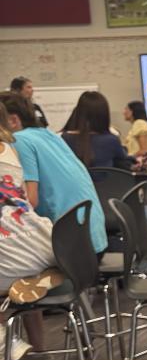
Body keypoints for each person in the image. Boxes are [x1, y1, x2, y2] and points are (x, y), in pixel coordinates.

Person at [0, 91, 107, 257]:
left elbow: (30, 201)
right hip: (93, 242)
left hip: (73, 251)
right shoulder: (48, 134)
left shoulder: (19, 141)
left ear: (13, 120)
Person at [0, 101, 58, 360]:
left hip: (12, 258)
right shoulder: (10, 150)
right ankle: (38, 351)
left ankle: (11, 348)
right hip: (45, 246)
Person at [62, 90, 131, 176]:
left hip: (76, 184)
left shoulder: (65, 138)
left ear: (78, 112)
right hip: (107, 184)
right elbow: (124, 160)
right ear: (104, 114)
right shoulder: (111, 140)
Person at [123, 101, 147, 168]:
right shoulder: (138, 124)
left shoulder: (139, 123)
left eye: (126, 109)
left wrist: (128, 158)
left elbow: (144, 150)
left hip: (141, 165)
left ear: (132, 111)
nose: (123, 112)